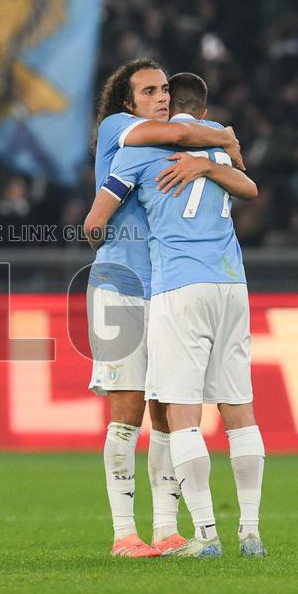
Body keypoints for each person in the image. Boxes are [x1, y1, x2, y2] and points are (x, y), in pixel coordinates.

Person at [84, 58, 244, 557]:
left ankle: (166, 531)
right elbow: (181, 135)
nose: (161, 97)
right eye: (149, 91)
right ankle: (122, 534)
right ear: (127, 103)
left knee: (166, 411)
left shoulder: (162, 145)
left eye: (164, 91)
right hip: (122, 285)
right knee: (127, 411)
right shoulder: (119, 128)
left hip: (168, 288)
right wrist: (225, 142)